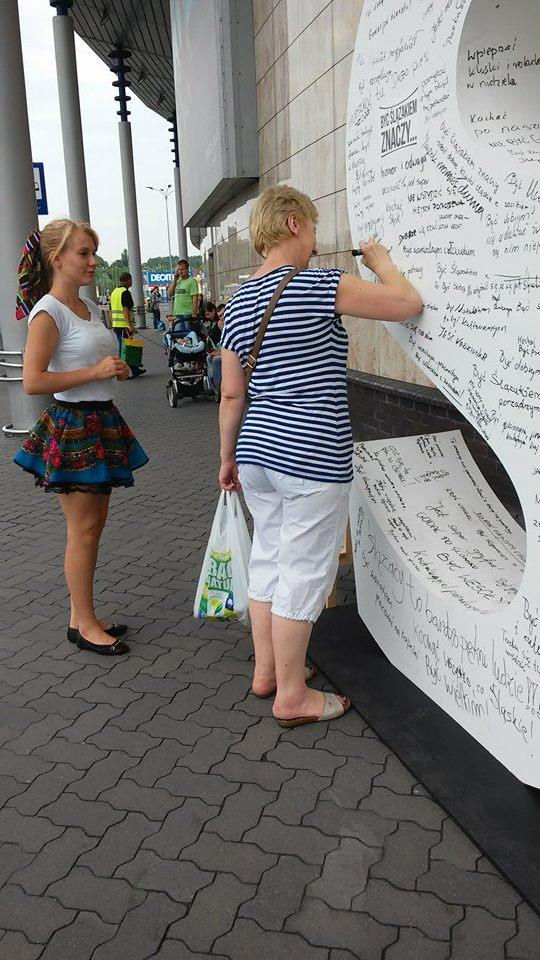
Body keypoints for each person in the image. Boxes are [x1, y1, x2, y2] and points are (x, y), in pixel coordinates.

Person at [218, 185, 423, 728]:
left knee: (269, 560)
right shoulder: (318, 285)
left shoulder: (237, 303)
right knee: (305, 572)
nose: (316, 239)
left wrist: (226, 459)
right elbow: (408, 305)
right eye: (312, 227)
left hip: (256, 453)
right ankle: (292, 696)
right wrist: (381, 264)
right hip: (311, 456)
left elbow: (232, 394)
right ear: (291, 223)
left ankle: (266, 671)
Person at [13, 219, 149, 656]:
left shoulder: (85, 305)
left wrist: (115, 369)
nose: (93, 261)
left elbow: (94, 363)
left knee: (93, 527)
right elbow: (33, 380)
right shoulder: (48, 311)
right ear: (57, 259)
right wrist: (94, 372)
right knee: (83, 529)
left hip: (99, 419)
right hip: (73, 424)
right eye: (83, 253)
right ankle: (84, 624)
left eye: (93, 252)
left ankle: (81, 616)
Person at [110, 272, 146, 378]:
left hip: (117, 325)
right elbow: (125, 308)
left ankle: (135, 370)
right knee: (124, 350)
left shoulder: (114, 292)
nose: (131, 282)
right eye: (131, 280)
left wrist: (113, 324)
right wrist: (129, 325)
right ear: (128, 280)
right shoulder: (125, 292)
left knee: (127, 348)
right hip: (124, 326)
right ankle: (122, 373)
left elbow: (111, 309)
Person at [167, 259, 199, 335]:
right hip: (178, 314)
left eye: (182, 269)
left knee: (189, 336)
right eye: (178, 270)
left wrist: (194, 314)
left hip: (188, 314)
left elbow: (195, 298)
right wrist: (174, 280)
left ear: (187, 270)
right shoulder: (178, 281)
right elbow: (170, 293)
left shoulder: (192, 281)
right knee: (179, 337)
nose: (180, 271)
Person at [205, 301, 223, 395]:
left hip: (223, 350)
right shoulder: (212, 322)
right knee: (209, 358)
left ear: (213, 311)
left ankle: (218, 386)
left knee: (215, 360)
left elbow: (226, 340)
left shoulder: (219, 323)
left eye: (208, 314)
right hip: (218, 350)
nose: (207, 316)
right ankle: (213, 384)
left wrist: (219, 352)